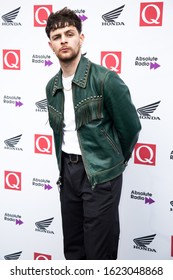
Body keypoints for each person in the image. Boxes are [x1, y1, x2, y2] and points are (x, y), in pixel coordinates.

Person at [45, 7, 141, 260]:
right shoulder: (52, 87)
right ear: (51, 45)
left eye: (70, 33)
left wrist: (115, 162)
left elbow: (130, 127)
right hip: (68, 173)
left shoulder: (105, 79)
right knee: (74, 249)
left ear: (81, 38)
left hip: (101, 175)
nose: (64, 40)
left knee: (100, 251)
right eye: (57, 37)